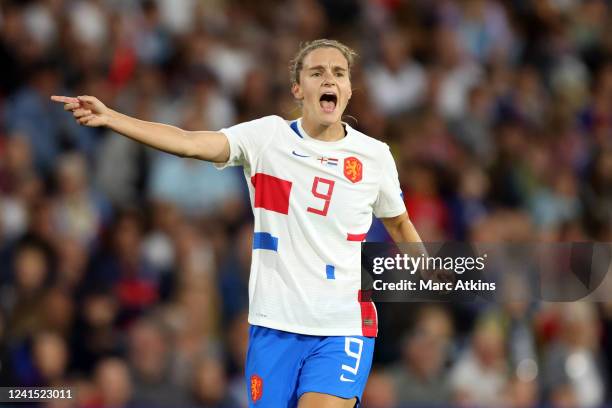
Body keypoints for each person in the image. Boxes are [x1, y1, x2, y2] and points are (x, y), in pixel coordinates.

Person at [52, 38, 424, 408]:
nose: (329, 79)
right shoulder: (266, 138)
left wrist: (431, 271)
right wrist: (112, 117)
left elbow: (400, 224)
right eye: (317, 72)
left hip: (344, 323)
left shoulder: (373, 156)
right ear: (298, 88)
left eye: (339, 73)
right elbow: (188, 141)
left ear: (347, 89)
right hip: (273, 324)